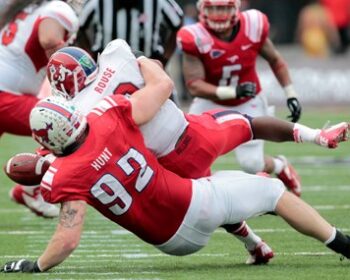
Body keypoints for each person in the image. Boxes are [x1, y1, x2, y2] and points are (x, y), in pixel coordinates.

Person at [15, 39, 348, 264]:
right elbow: (159, 80)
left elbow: (73, 147)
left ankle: (255, 244)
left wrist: (40, 166)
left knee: (216, 192)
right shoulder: (114, 56)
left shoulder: (89, 112)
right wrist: (146, 63)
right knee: (249, 125)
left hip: (167, 165)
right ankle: (317, 136)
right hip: (190, 132)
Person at [176, 0, 303, 196]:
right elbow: (194, 85)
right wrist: (232, 91)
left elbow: (275, 60)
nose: (218, 14)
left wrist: (291, 93)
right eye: (213, 8)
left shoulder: (253, 26)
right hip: (210, 99)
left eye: (224, 8)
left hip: (248, 101)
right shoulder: (194, 36)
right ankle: (200, 195)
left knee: (252, 164)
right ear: (203, 9)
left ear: (236, 7)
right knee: (186, 148)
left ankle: (279, 165)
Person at [0, 0, 82, 218]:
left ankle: (28, 191)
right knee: (66, 126)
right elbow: (49, 38)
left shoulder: (30, 8)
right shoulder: (57, 8)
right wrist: (73, 65)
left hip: (8, 91)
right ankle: (30, 190)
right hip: (5, 95)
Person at [77, 0, 183, 66]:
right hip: (105, 71)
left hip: (148, 71)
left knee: (167, 98)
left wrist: (164, 59)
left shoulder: (158, 3)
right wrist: (90, 58)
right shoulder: (97, 3)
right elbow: (78, 28)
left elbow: (178, 24)